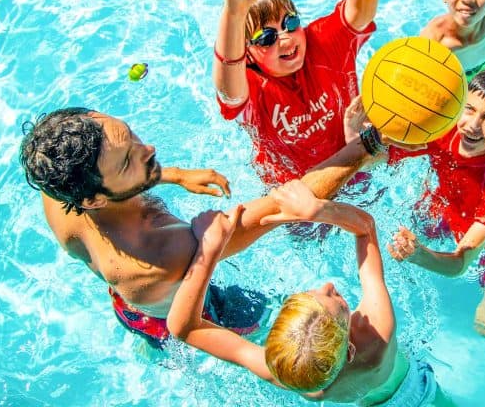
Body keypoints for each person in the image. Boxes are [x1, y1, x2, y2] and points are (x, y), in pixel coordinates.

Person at [19, 107, 378, 348]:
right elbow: (287, 204)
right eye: (129, 159)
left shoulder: (59, 190)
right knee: (286, 328)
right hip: (193, 310)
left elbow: (119, 174)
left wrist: (174, 175)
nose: (149, 148)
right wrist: (368, 144)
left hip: (129, 306)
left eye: (131, 135)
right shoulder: (161, 254)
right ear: (94, 200)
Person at [168, 180, 447, 406]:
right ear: (349, 350)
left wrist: (209, 250)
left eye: (312, 293)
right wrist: (318, 211)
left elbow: (183, 328)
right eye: (338, 302)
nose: (327, 286)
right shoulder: (376, 335)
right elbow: (366, 229)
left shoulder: (289, 374)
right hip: (414, 391)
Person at [212, 0, 401, 186]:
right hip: (300, 193)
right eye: (267, 37)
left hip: (359, 164)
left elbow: (359, 15)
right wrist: (235, 11)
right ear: (247, 54)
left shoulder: (321, 43)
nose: (285, 38)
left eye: (289, 23)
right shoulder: (251, 88)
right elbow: (228, 92)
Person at [384, 66, 485, 337]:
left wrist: (420, 255)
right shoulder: (444, 131)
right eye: (469, 109)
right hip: (447, 205)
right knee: (420, 220)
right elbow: (386, 151)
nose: (473, 125)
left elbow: (459, 264)